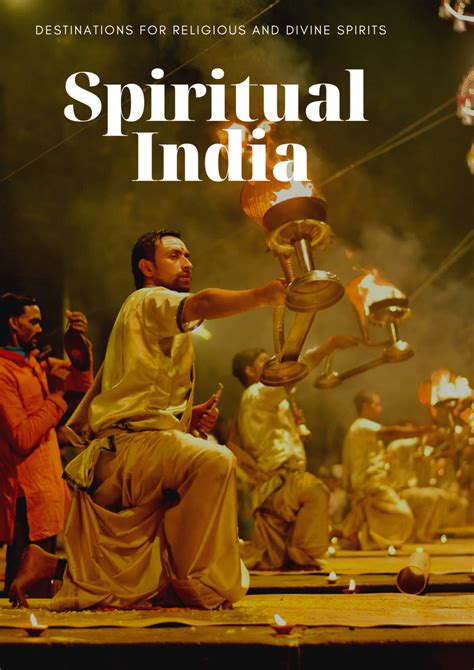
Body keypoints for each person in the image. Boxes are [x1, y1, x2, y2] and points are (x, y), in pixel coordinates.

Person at [10, 230, 286, 610]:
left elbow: (137, 396)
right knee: (214, 460)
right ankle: (193, 585)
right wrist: (262, 296)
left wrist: (187, 417)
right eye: (174, 255)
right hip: (127, 450)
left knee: (199, 457)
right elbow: (204, 302)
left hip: (133, 448)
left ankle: (51, 565)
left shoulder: (150, 319)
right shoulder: (147, 299)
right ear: (147, 268)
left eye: (187, 255)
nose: (187, 263)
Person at [229, 337, 357, 570]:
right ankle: (303, 554)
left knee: (272, 558)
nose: (271, 365)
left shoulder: (257, 402)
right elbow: (293, 372)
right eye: (263, 361)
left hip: (272, 485)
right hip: (279, 480)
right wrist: (326, 347)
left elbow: (233, 445)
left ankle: (290, 552)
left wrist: (295, 430)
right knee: (316, 491)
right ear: (250, 371)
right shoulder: (257, 392)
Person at [0, 293, 91, 596]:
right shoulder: (4, 371)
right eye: (34, 321)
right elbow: (22, 437)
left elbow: (82, 381)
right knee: (22, 596)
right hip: (24, 499)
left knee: (41, 596)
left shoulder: (35, 363)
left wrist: (77, 343)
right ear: (14, 323)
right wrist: (55, 399)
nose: (40, 328)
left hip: (47, 492)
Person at [341, 390, 433, 549]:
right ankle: (367, 540)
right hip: (371, 484)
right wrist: (421, 430)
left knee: (375, 518)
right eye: (377, 404)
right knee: (404, 515)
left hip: (371, 484)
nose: (380, 408)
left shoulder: (360, 429)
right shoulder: (361, 425)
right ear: (366, 406)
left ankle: (359, 538)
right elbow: (391, 432)